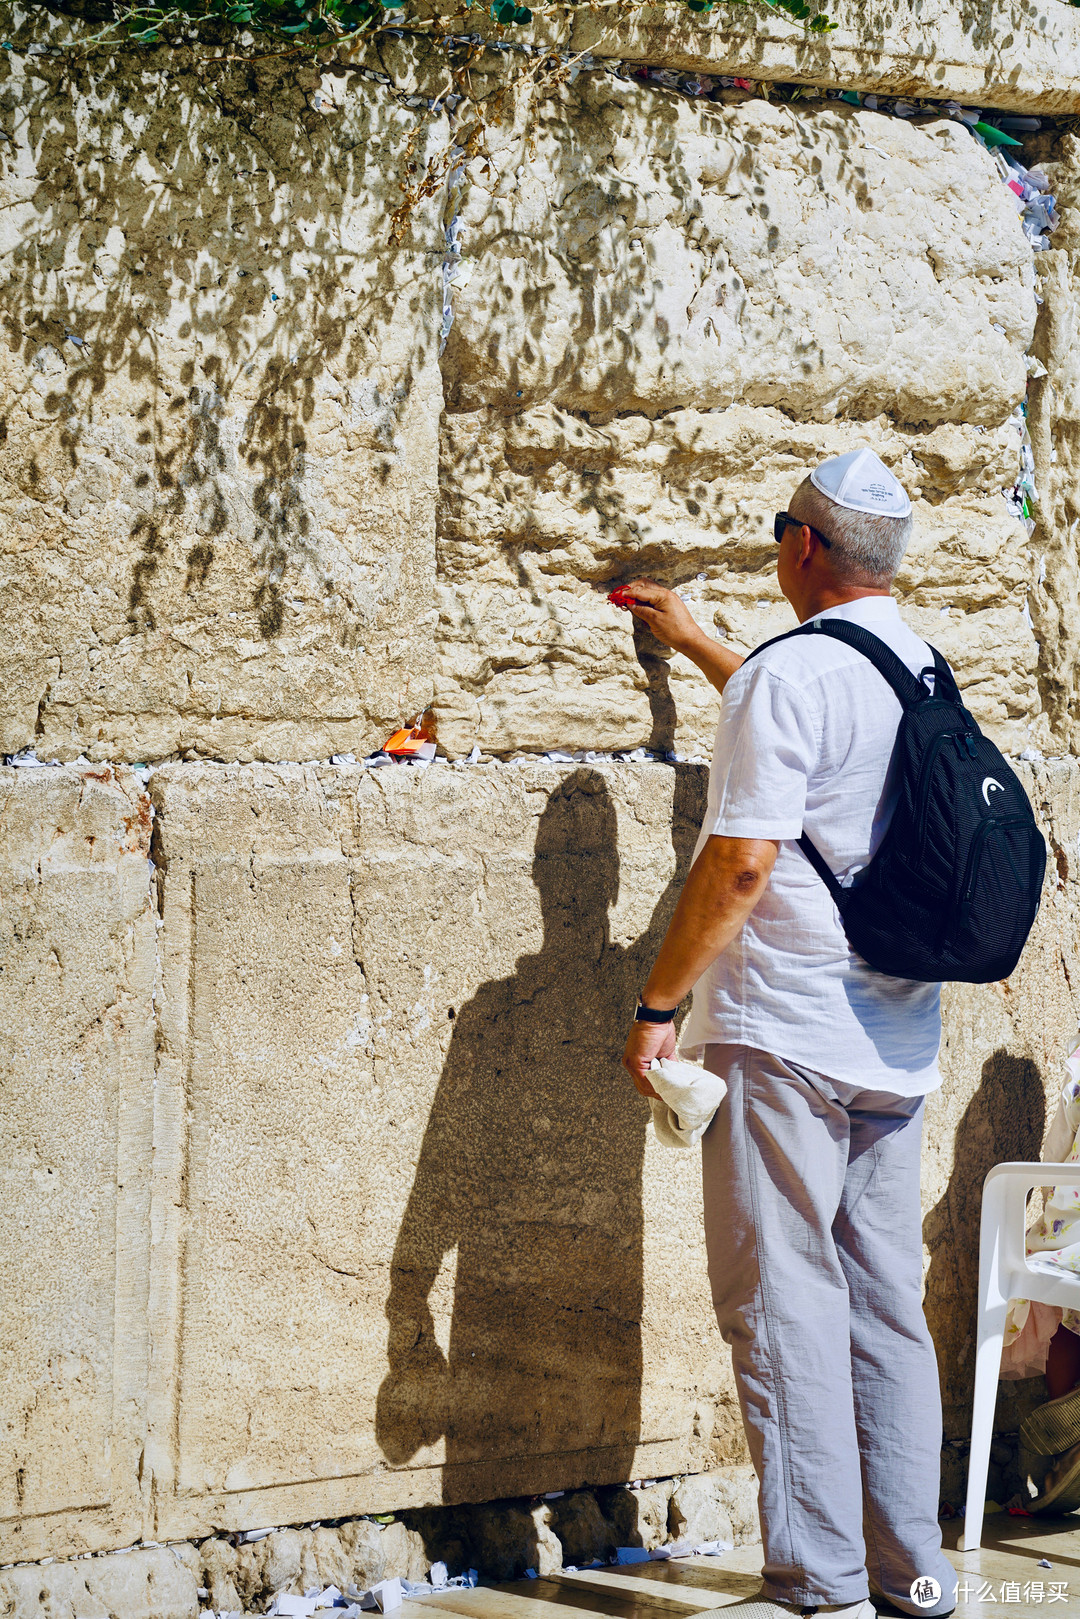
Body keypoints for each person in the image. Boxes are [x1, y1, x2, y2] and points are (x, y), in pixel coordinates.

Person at [621, 448, 957, 1619]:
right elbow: (804, 724)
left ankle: (817, 1584)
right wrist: (702, 639)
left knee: (782, 1304)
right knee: (881, 1302)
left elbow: (745, 859)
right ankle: (908, 1575)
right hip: (896, 1043)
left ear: (804, 547)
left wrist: (659, 1006)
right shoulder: (918, 664)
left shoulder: (792, 674)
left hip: (785, 1034)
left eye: (780, 532)